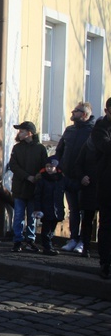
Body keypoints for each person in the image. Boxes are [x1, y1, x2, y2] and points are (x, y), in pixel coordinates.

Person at [56, 102, 96, 254]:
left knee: (86, 212)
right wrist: (58, 166)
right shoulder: (69, 130)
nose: (72, 113)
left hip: (85, 179)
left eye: (76, 111)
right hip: (68, 177)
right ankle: (73, 238)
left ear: (85, 115)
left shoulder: (93, 132)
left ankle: (83, 242)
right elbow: (60, 150)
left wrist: (88, 176)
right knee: (73, 210)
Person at [8, 121, 48, 253]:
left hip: (34, 189)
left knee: (32, 216)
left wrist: (38, 175)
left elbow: (44, 166)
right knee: (19, 215)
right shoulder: (17, 148)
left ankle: (30, 239)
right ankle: (17, 240)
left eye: (22, 131)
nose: (19, 133)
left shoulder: (40, 148)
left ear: (29, 133)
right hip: (20, 187)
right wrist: (27, 176)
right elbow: (13, 166)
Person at [90, 97, 111, 279]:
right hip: (106, 184)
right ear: (107, 111)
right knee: (106, 225)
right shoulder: (100, 128)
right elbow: (105, 146)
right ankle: (105, 262)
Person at [32, 156, 67, 255]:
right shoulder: (42, 179)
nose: (48, 169)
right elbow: (37, 195)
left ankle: (49, 246)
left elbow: (71, 185)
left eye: (51, 167)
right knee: (46, 230)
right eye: (47, 166)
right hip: (46, 209)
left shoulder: (61, 179)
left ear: (56, 167)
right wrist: (37, 209)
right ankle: (47, 247)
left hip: (57, 210)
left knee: (51, 230)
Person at [72, 137, 100, 258]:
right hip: (89, 187)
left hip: (105, 188)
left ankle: (103, 251)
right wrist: (82, 176)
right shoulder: (89, 144)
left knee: (105, 222)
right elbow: (78, 164)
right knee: (87, 219)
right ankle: (85, 246)